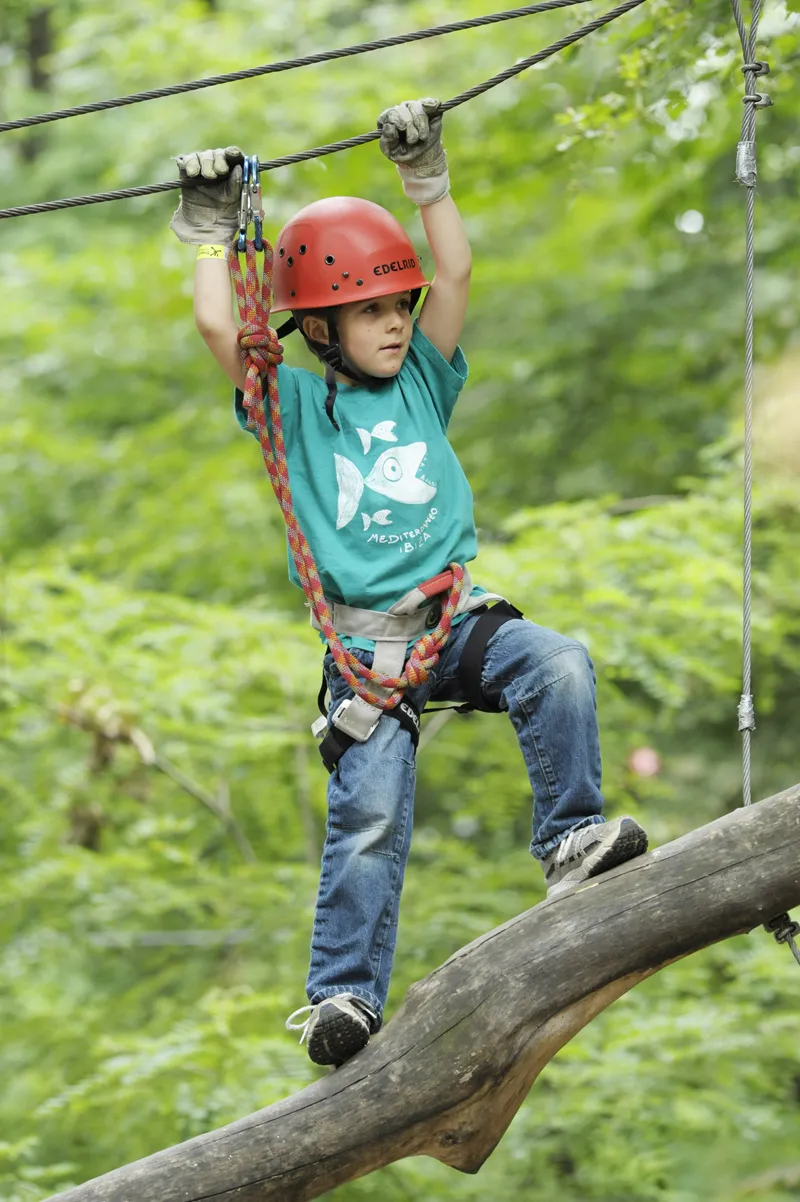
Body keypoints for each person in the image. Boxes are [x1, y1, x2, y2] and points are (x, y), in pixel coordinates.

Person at [169, 98, 648, 1069]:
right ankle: (342, 993)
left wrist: (424, 177)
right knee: (370, 813)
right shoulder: (293, 404)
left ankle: (570, 838)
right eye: (370, 312)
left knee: (554, 661)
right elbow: (220, 324)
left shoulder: (424, 378)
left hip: (451, 618)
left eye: (398, 306)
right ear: (316, 327)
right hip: (364, 646)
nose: (394, 325)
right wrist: (212, 229)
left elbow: (457, 269)